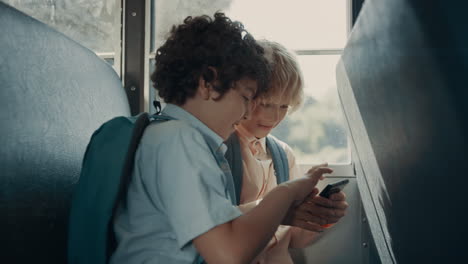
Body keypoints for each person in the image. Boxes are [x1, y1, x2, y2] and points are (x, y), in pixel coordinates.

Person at [110, 13, 332, 264]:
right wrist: (287, 191)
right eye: (247, 97)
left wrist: (288, 211)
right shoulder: (179, 140)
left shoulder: (179, 138)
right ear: (207, 82)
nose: (247, 113)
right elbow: (228, 255)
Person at [230, 40, 349, 263]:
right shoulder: (221, 149)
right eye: (265, 104)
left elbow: (294, 237)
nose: (275, 117)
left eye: (284, 106)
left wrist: (322, 216)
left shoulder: (283, 155)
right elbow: (213, 226)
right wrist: (274, 208)